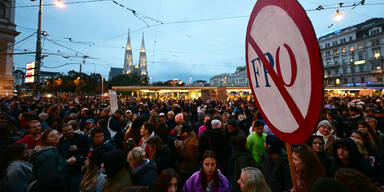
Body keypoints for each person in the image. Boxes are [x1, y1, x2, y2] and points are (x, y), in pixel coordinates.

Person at [58, 124, 91, 192]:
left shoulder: (82, 138)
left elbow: (88, 150)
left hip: (78, 169)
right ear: (62, 132)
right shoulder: (61, 141)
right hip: (66, 168)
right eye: (66, 131)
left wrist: (78, 148)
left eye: (70, 130)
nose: (68, 132)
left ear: (73, 129)